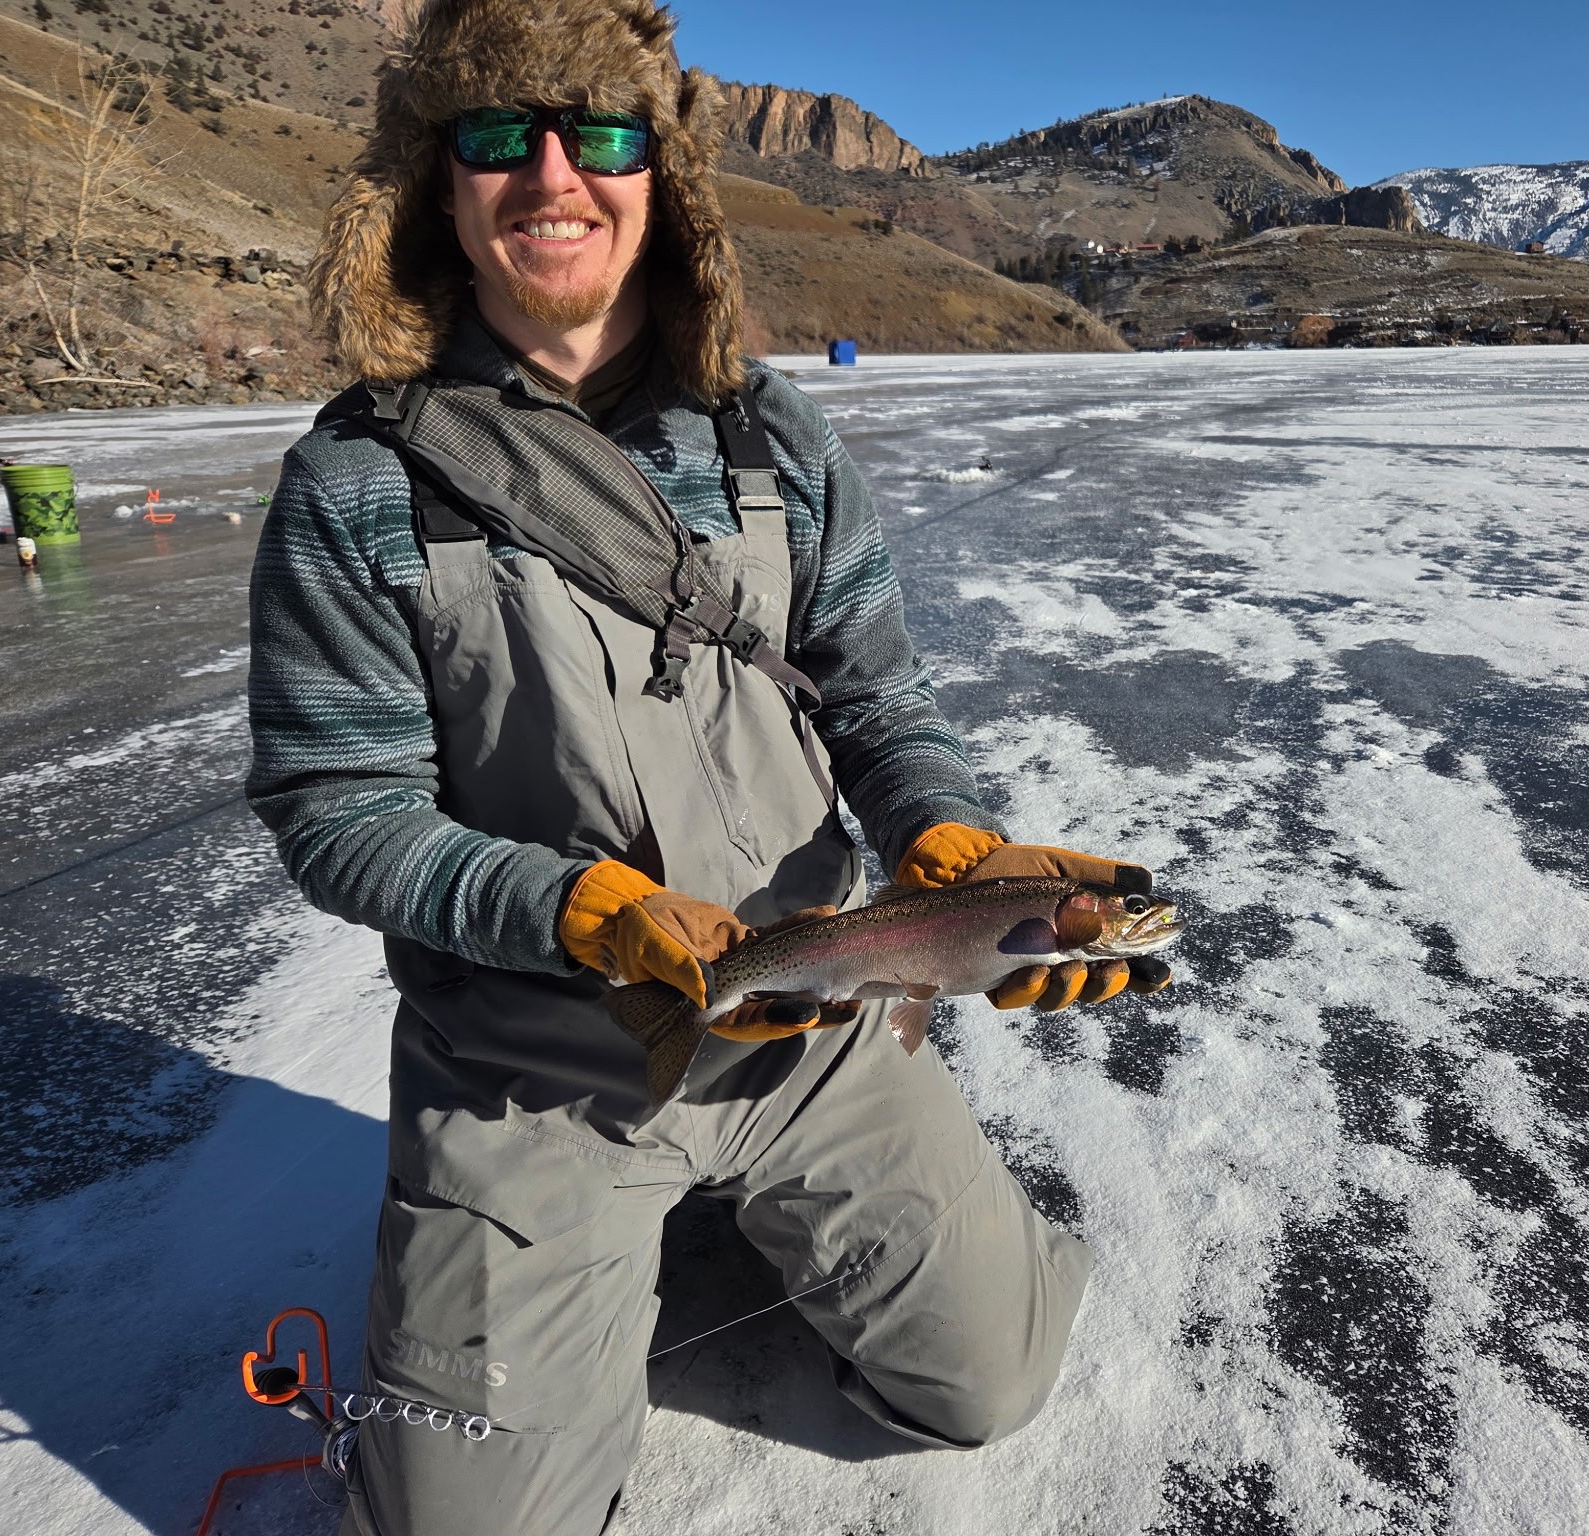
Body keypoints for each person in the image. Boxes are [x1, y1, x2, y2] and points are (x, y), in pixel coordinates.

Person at [245, 3, 1173, 1532]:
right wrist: (575, 910)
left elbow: (878, 701)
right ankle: (592, 1244)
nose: (554, 176)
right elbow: (337, 815)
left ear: (659, 179)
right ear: (437, 188)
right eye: (498, 138)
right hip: (538, 1071)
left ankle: (739, 1217)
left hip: (818, 1015)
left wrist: (939, 832)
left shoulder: (776, 441)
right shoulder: (356, 481)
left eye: (600, 135)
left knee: (991, 1382)